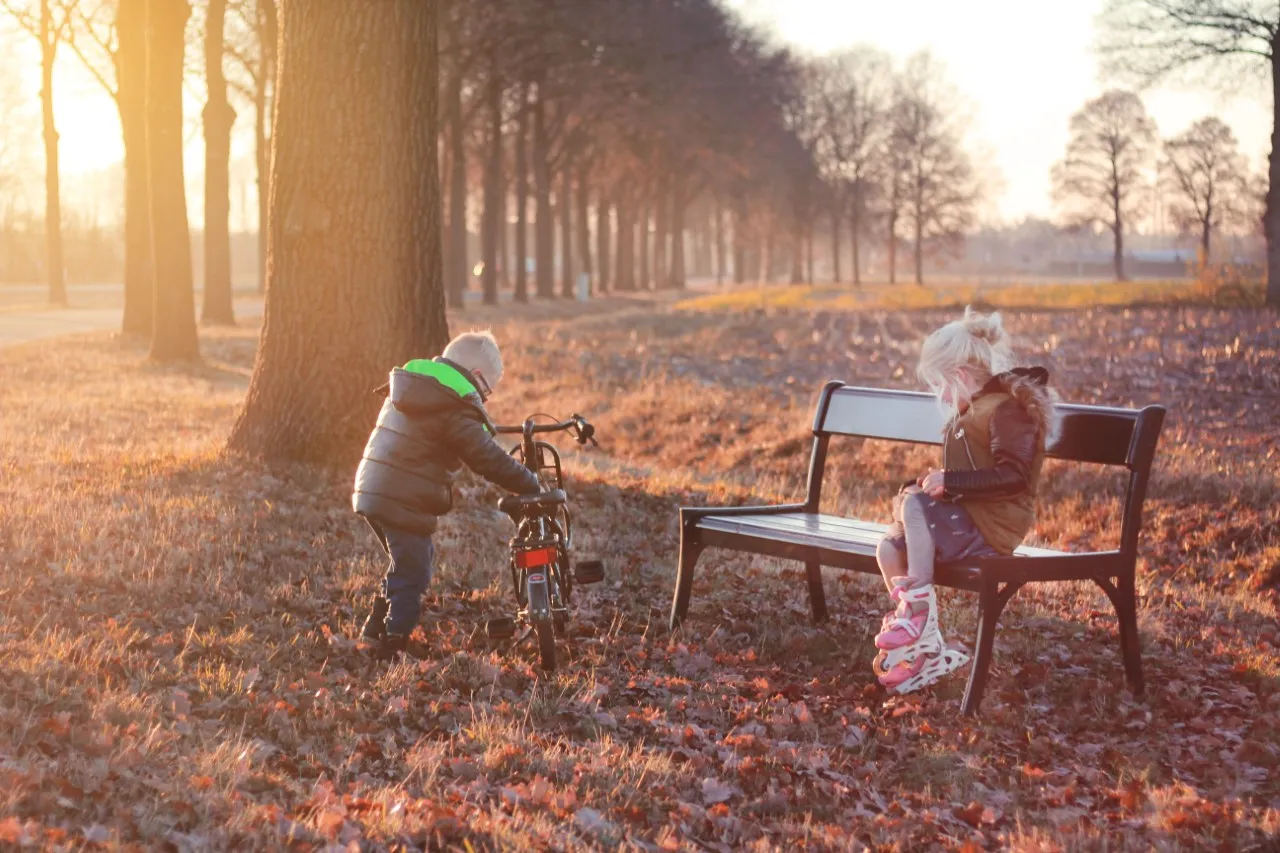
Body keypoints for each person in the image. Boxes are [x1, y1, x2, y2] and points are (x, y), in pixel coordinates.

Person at [873, 308, 1060, 694]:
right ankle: (922, 641)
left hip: (993, 528)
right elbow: (964, 481)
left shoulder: (1007, 410)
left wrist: (951, 482)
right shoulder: (972, 412)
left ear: (958, 376)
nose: (941, 396)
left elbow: (1014, 476)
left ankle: (918, 616)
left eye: (939, 385)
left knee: (915, 505)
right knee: (889, 548)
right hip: (969, 522)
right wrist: (938, 485)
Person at [352, 331, 541, 660]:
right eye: (488, 389)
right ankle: (393, 645)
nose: (486, 397)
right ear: (477, 376)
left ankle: (373, 629)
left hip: (374, 486)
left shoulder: (416, 386)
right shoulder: (451, 404)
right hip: (402, 496)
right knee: (414, 572)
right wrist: (529, 483)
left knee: (406, 562)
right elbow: (486, 458)